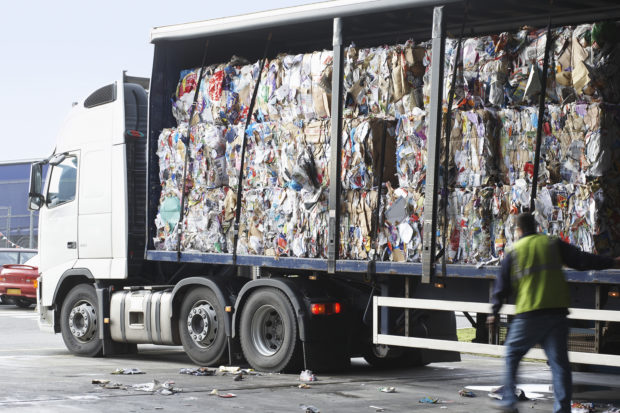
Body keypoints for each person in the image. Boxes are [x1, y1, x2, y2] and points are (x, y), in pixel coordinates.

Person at [487, 212, 620, 413]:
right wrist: (612, 262)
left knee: (512, 354)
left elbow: (501, 287)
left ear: (519, 230)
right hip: (557, 315)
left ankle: (508, 402)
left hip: (530, 314)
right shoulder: (551, 244)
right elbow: (581, 260)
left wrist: (494, 312)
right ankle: (562, 409)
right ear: (536, 227)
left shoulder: (515, 251)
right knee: (559, 365)